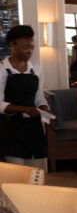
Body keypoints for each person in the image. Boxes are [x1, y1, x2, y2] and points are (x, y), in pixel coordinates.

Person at [0, 25, 50, 169]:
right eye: (25, 47)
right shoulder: (2, 69)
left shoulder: (35, 69)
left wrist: (43, 107)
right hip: (11, 129)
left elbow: (39, 95)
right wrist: (24, 109)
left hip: (34, 129)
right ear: (12, 44)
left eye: (32, 47)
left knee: (36, 174)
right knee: (17, 175)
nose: (30, 51)